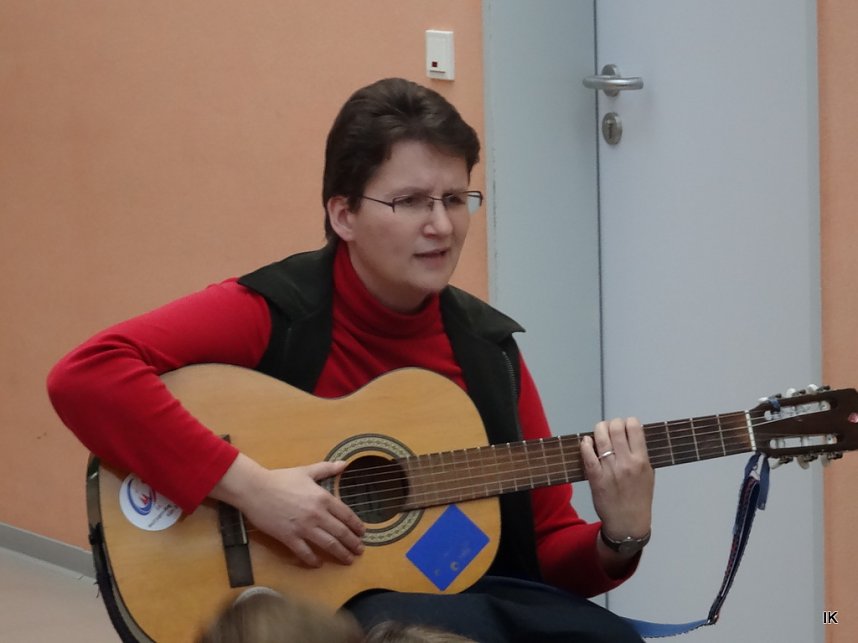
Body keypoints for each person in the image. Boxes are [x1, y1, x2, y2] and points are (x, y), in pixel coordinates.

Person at [47, 77, 654, 642]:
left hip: (436, 601)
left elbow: (544, 552)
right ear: (344, 215)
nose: (442, 225)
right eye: (411, 201)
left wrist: (619, 538)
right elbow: (87, 375)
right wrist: (255, 490)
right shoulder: (276, 312)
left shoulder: (488, 354)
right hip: (289, 612)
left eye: (455, 197)